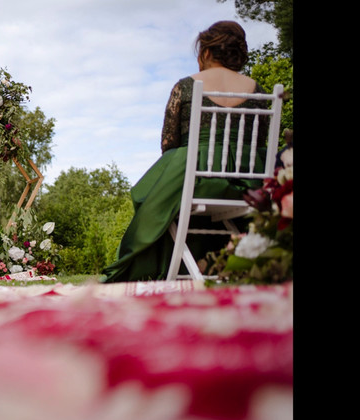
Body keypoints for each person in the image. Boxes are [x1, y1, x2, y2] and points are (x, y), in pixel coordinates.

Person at [102, 20, 271, 283]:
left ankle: (172, 264)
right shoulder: (258, 90)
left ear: (205, 51)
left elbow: (168, 143)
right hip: (246, 183)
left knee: (156, 191)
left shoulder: (187, 85)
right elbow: (260, 146)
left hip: (197, 181)